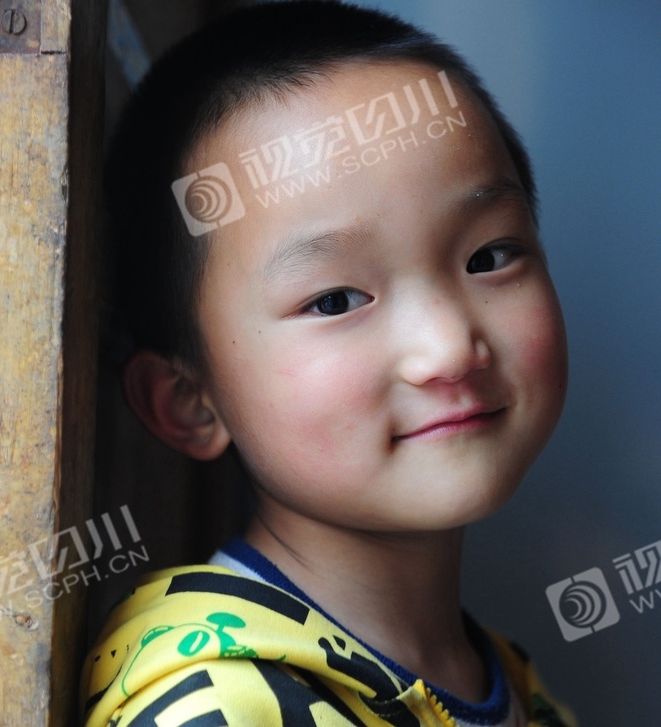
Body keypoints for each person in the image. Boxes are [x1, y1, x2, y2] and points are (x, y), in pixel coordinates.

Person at [81, 2, 574, 725]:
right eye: (336, 300)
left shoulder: (519, 693)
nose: (447, 347)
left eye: (488, 257)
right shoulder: (217, 708)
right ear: (190, 400)